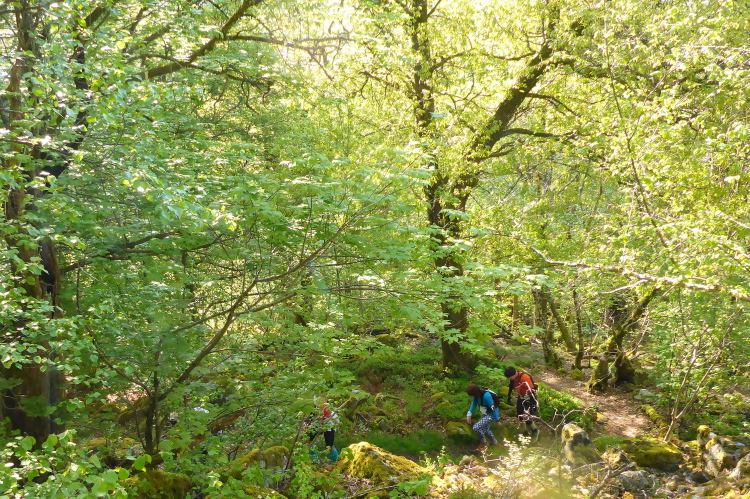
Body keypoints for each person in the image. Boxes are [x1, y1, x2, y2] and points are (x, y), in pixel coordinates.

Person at [504, 366, 539, 442]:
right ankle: (525, 433)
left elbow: (532, 391)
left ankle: (535, 430)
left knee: (527, 416)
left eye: (510, 377)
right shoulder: (513, 379)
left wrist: (533, 404)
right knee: (520, 416)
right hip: (521, 397)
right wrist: (509, 396)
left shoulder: (524, 378)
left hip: (528, 398)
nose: (509, 379)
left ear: (514, 374)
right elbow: (511, 387)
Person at [465, 384, 500, 452]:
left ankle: (483, 442)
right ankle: (495, 442)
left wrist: (497, 420)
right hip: (485, 412)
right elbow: (474, 404)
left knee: (476, 427)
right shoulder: (476, 396)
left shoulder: (486, 396)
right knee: (485, 429)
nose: (472, 396)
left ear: (475, 392)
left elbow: (493, 408)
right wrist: (469, 414)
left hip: (492, 414)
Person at [305, 398, 340, 462]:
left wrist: (318, 427)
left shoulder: (320, 403)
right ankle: (314, 460)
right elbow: (311, 417)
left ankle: (336, 462)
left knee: (329, 446)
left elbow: (320, 418)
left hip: (330, 422)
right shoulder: (311, 404)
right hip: (321, 421)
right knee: (307, 440)